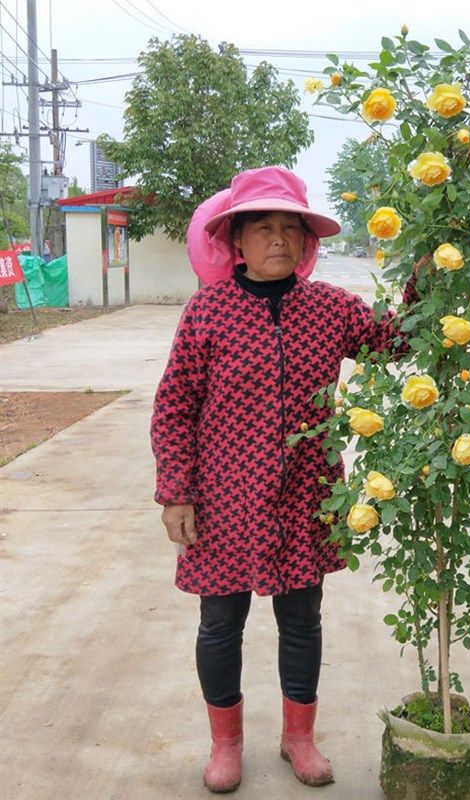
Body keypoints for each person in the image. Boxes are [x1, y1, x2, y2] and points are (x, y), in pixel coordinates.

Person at [151, 166, 416, 793]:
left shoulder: (328, 308)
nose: (279, 239)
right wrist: (176, 491)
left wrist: (426, 270)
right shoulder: (208, 310)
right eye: (263, 227)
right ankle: (227, 744)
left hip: (307, 494)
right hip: (223, 499)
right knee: (220, 625)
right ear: (235, 242)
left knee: (303, 620)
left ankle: (299, 737)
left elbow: (393, 341)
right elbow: (174, 405)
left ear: (306, 241)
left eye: (290, 227)